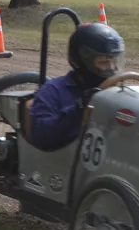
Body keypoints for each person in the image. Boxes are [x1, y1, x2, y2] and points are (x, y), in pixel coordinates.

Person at [26, 22, 125, 151]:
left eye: (115, 61)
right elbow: (42, 137)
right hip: (64, 164)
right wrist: (80, 108)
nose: (112, 68)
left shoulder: (118, 92)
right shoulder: (53, 91)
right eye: (104, 62)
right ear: (83, 60)